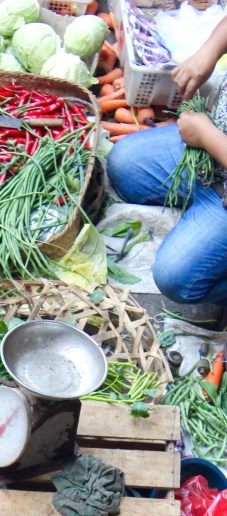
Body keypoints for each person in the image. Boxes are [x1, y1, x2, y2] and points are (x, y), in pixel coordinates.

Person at [106, 15, 227, 305]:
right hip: (209, 155)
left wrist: (206, 135)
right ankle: (196, 211)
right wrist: (209, 51)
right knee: (124, 163)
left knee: (175, 278)